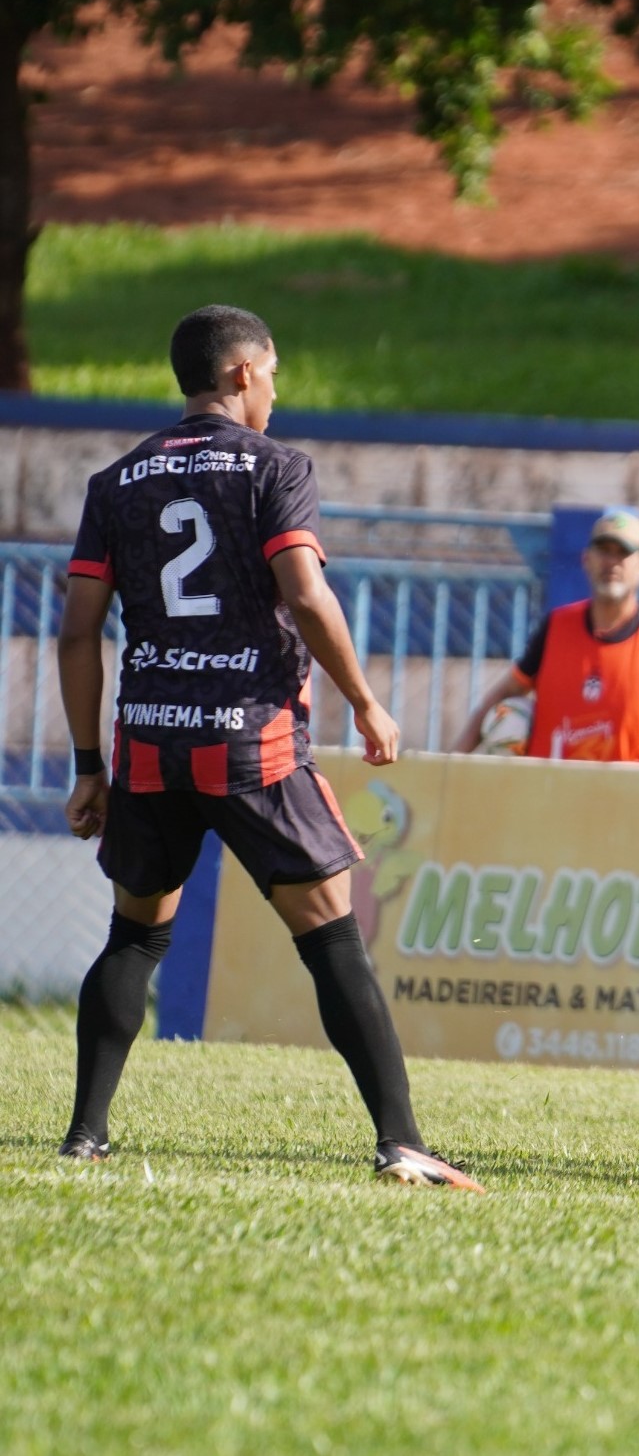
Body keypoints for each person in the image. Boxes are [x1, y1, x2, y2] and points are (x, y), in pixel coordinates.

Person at [55, 304, 477, 1190]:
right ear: (243, 372)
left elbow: (77, 631)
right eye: (274, 372)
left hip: (150, 744)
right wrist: (366, 701)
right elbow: (308, 594)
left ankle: (85, 1135)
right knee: (332, 935)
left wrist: (90, 765)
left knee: (134, 938)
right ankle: (401, 1141)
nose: (277, 391)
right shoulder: (274, 467)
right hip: (252, 742)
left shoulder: (117, 480)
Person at [452, 508, 639, 764]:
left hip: (628, 798)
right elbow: (505, 694)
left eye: (623, 552)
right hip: (553, 794)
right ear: (586, 559)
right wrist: (452, 763)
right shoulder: (556, 627)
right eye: (604, 550)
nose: (611, 562)